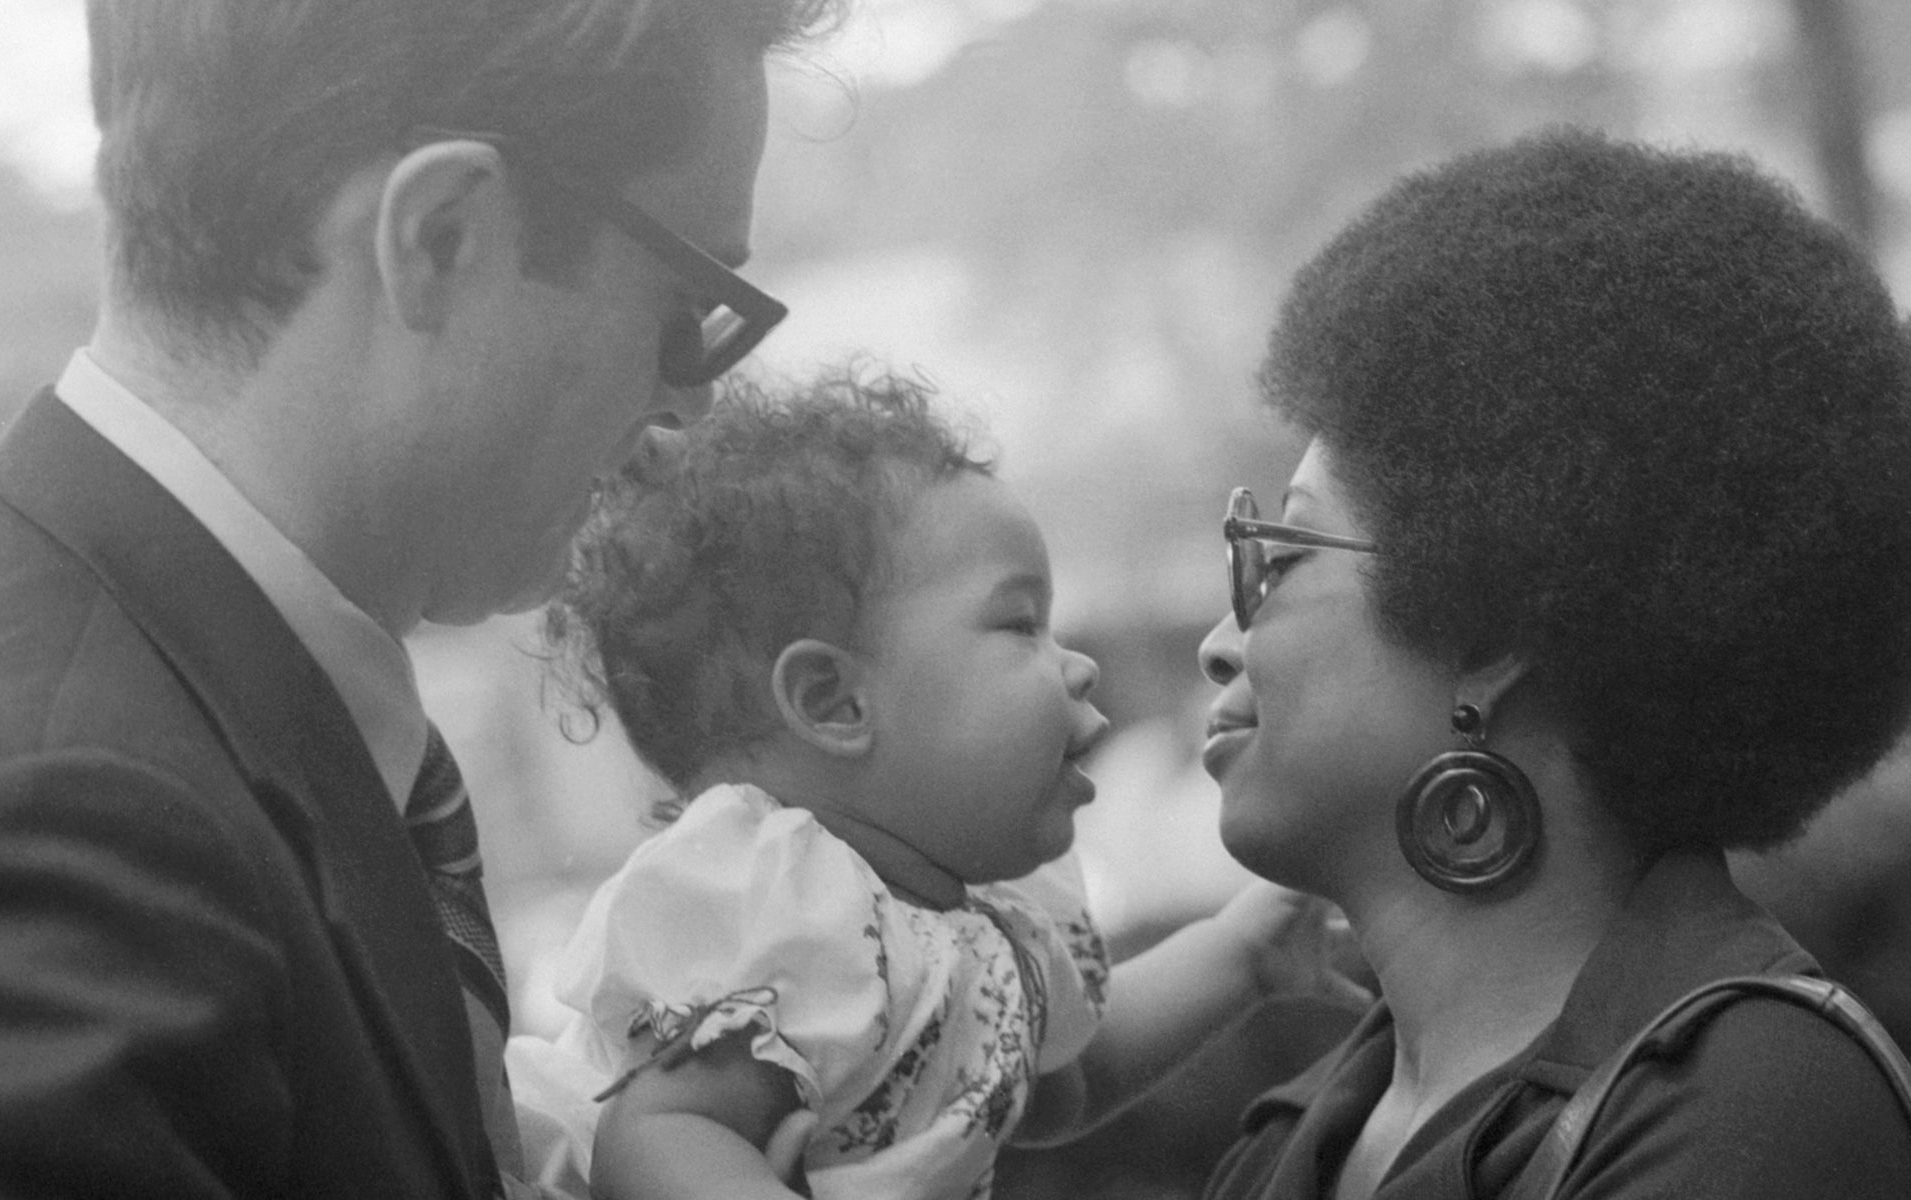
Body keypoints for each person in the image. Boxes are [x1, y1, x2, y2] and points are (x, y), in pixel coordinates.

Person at [0, 1, 839, 1196]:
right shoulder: (77, 821)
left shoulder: (104, 675)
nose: (687, 409)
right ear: (442, 236)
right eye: (684, 309)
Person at [1194, 127, 1911, 1200]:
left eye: (1279, 553)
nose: (1219, 641)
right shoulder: (1289, 1144)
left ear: (1486, 634)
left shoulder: (1752, 1112)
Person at [505, 371, 1359, 1200]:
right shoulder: (788, 907)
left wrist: (1244, 953)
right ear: (835, 702)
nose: (1079, 665)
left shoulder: (976, 925)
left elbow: (1070, 1080)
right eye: (1021, 623)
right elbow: (657, 1139)